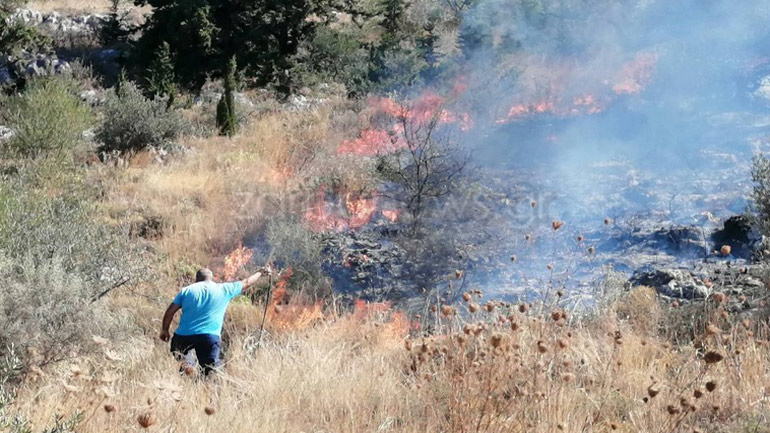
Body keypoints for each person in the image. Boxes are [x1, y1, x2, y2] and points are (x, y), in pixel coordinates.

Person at [159, 266, 272, 375]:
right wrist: (260, 273)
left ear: (197, 279)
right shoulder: (224, 289)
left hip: (184, 336)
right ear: (211, 278)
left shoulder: (187, 290)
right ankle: (206, 385)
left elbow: (170, 311)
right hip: (210, 336)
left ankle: (188, 368)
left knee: (180, 354)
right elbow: (246, 282)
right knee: (210, 370)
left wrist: (165, 330)